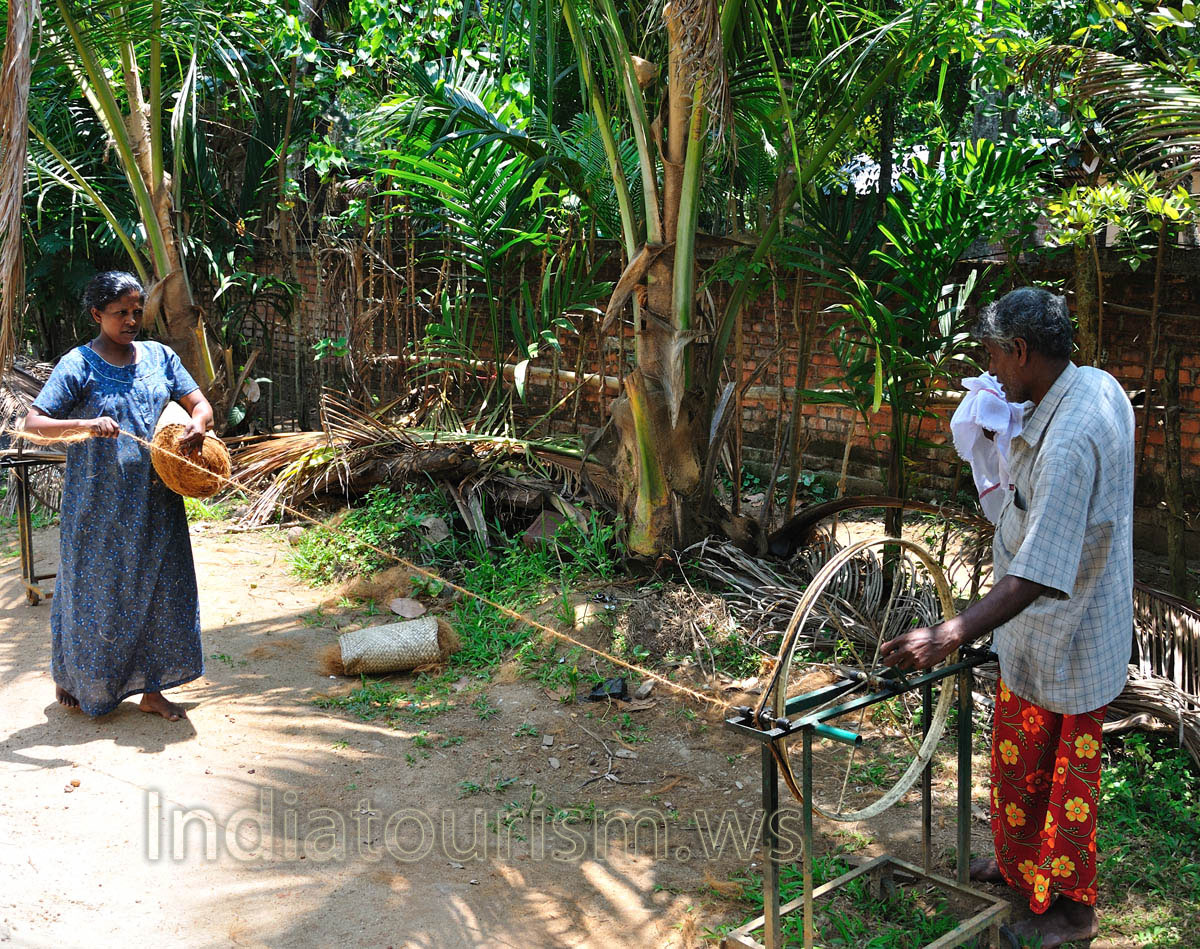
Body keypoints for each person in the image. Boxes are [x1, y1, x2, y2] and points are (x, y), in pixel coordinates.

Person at [880, 288, 1134, 948]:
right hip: (1038, 631)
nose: (989, 370)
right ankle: (1022, 867)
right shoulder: (1093, 385)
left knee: (1064, 777)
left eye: (993, 357)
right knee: (1022, 758)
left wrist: (948, 633)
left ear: (1022, 351)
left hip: (1070, 629)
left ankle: (1072, 911)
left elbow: (1038, 573)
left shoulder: (1073, 438)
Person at [22, 271, 214, 722]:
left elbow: (199, 403)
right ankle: (76, 679)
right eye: (120, 313)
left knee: (161, 591)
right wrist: (87, 425)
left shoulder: (160, 357)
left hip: (155, 500)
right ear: (96, 315)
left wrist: (199, 423)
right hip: (97, 505)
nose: (131, 320)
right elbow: (35, 423)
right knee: (95, 594)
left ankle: (152, 690)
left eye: (136, 311)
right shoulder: (78, 365)